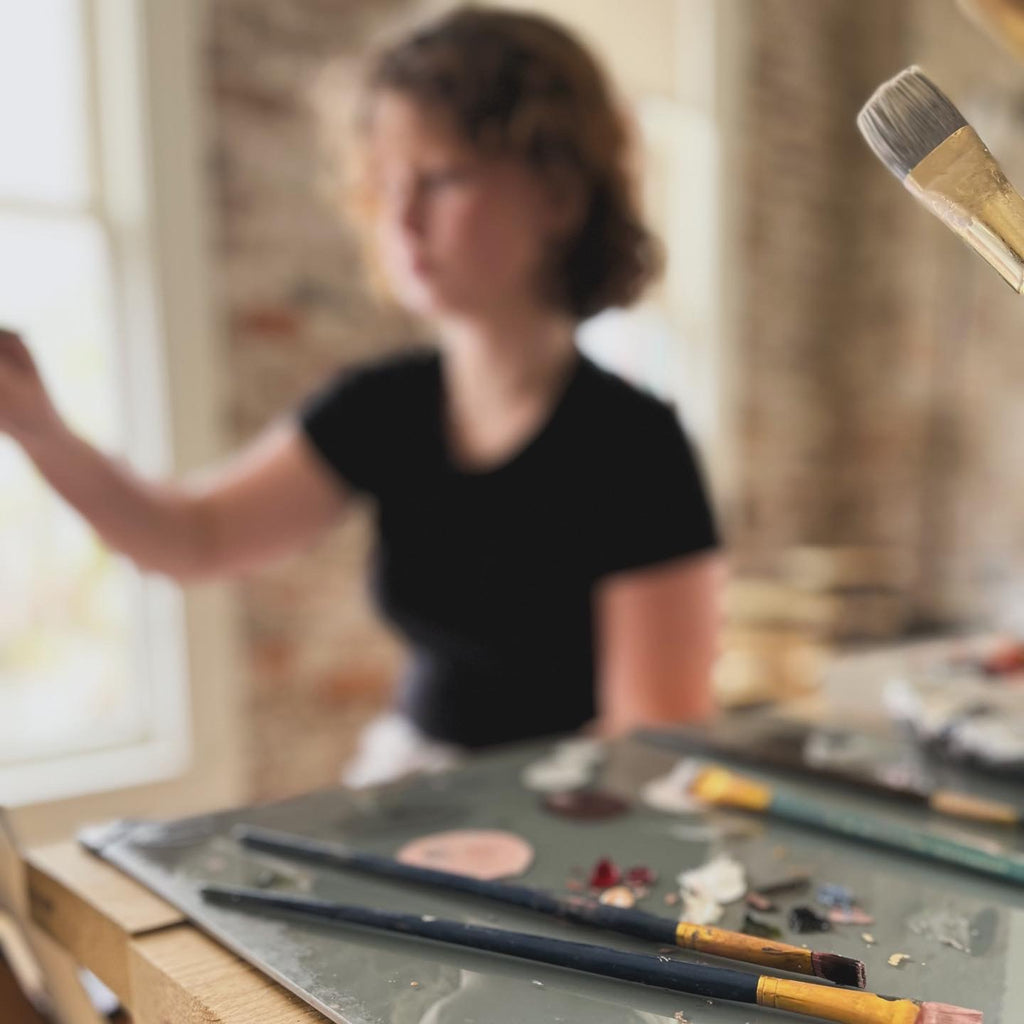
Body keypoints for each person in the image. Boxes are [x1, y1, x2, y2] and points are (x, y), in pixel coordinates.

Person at [0, 5, 723, 787]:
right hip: (405, 783)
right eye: (385, 184)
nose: (401, 220)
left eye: (442, 178)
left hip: (569, 807)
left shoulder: (636, 446)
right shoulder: (382, 409)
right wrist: (41, 431)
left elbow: (648, 737)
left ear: (558, 194)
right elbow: (193, 538)